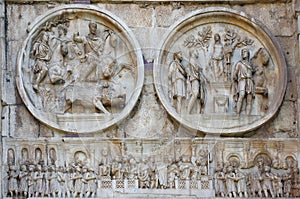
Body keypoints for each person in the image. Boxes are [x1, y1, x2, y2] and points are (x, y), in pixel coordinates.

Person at [233, 48, 255, 115]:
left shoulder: (251, 64)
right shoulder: (239, 63)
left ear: (248, 54)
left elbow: (253, 71)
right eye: (242, 52)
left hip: (249, 81)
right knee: (241, 95)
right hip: (242, 80)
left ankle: (247, 116)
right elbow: (235, 73)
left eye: (245, 52)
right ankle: (237, 114)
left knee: (249, 99)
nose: (243, 53)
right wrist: (236, 78)